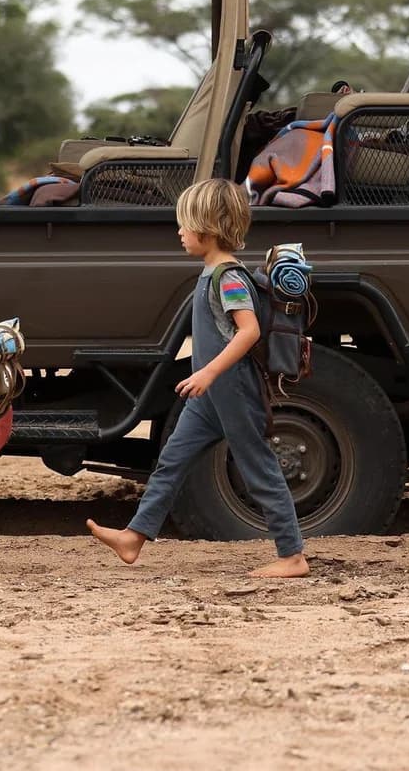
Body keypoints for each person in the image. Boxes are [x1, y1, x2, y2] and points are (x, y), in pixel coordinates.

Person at [87, 179, 309, 578]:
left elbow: (249, 331)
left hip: (232, 390)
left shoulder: (229, 277)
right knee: (171, 460)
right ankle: (134, 537)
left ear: (207, 229)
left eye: (184, 225)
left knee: (257, 465)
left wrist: (206, 370)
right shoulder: (212, 274)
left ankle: (292, 555)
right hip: (210, 395)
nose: (179, 232)